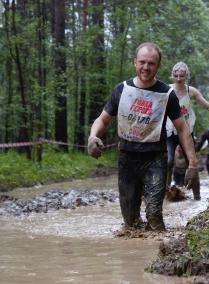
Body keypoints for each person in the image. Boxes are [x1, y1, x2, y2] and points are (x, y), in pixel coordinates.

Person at [87, 42, 199, 231]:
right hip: (127, 158)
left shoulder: (167, 94)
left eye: (151, 63)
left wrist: (193, 164)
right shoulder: (121, 90)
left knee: (154, 215)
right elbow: (103, 119)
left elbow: (182, 129)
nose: (146, 67)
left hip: (155, 159)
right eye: (142, 62)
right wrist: (92, 137)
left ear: (158, 66)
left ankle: (160, 252)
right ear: (135, 63)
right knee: (130, 222)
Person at [166, 62, 209, 189]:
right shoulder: (167, 90)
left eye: (181, 76)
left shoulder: (191, 91)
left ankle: (196, 195)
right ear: (173, 76)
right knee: (169, 161)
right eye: (176, 76)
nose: (178, 79)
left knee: (192, 163)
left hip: (186, 131)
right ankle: (164, 190)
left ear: (186, 76)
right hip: (170, 131)